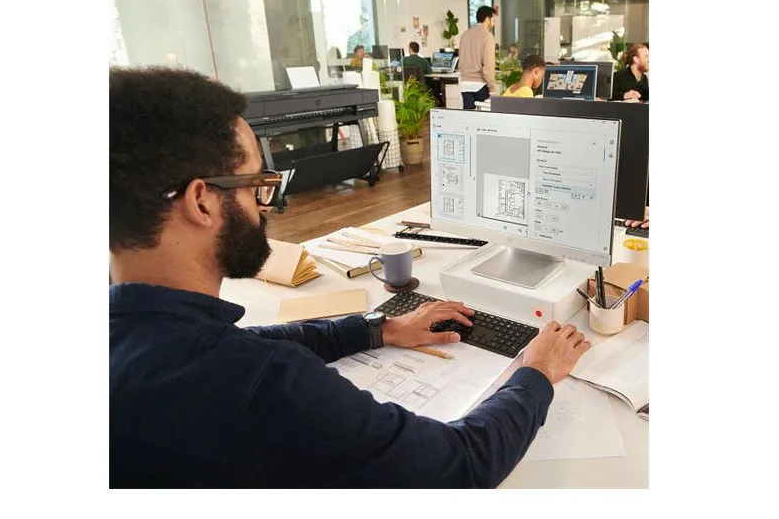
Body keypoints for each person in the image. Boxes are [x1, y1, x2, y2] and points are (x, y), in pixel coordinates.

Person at [109, 66, 592, 488]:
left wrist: (380, 328)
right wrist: (536, 373)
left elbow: (244, 343)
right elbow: (458, 467)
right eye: (258, 185)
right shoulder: (258, 384)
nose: (266, 207)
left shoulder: (141, 341)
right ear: (201, 202)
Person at [459, 5, 498, 109]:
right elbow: (488, 67)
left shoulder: (465, 35)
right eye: (493, 20)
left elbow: (461, 60)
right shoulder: (487, 36)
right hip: (480, 86)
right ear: (487, 19)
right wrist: (493, 90)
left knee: (469, 118)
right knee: (484, 118)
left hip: (465, 85)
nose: (494, 24)